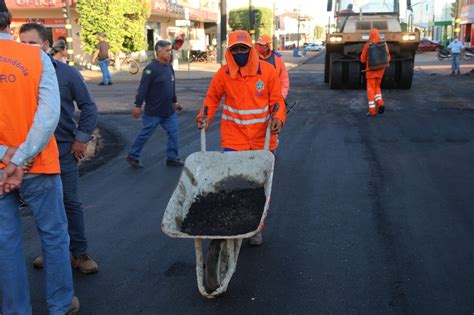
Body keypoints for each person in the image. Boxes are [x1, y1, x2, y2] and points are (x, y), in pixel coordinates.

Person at [0, 2, 79, 314]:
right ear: (8, 21)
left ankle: (16, 310)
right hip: (38, 166)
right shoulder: (35, 57)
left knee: (6, 242)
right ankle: (60, 305)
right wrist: (21, 158)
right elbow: (48, 115)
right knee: (54, 237)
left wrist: (6, 158)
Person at [19, 23, 99, 274]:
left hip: (63, 150)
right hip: (31, 155)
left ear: (45, 45)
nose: (25, 49)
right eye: (21, 44)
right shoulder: (17, 74)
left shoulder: (67, 74)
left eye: (30, 44)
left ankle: (79, 254)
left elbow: (88, 106)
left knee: (70, 203)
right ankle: (54, 252)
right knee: (42, 207)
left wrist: (81, 138)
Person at [196, 30, 286, 246]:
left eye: (243, 49)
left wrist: (279, 119)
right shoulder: (224, 74)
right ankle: (235, 221)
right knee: (234, 184)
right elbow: (212, 97)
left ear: (251, 49)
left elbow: (277, 101)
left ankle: (255, 227)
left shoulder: (267, 71)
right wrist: (204, 117)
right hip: (234, 140)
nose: (239, 53)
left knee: (260, 187)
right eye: (235, 49)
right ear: (229, 51)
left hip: (262, 141)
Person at [126, 40, 184, 168]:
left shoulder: (169, 67)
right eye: (167, 51)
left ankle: (172, 158)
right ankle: (132, 156)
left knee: (173, 132)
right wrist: (137, 105)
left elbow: (171, 87)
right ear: (159, 51)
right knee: (145, 134)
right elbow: (143, 88)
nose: (170, 53)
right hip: (154, 111)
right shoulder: (150, 69)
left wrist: (175, 102)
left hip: (169, 111)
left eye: (170, 51)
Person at [360, 28, 391, 117]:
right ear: (378, 34)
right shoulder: (384, 44)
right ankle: (380, 103)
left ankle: (372, 111)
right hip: (381, 70)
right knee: (377, 87)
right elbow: (388, 58)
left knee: (370, 90)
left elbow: (362, 59)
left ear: (370, 35)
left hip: (370, 71)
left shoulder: (368, 45)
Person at [255, 34, 290, 100]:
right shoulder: (253, 58)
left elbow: (284, 79)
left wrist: (282, 95)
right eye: (258, 45)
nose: (259, 47)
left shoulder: (277, 59)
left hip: (274, 95)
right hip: (257, 96)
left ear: (268, 46)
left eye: (262, 45)